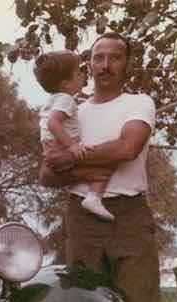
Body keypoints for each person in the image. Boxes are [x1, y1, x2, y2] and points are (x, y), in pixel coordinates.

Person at [40, 32, 177, 302]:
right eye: (98, 57)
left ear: (126, 64)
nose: (105, 65)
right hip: (81, 221)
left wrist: (72, 161)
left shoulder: (138, 103)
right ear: (88, 63)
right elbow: (46, 173)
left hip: (128, 218)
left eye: (115, 58)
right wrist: (85, 163)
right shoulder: (72, 108)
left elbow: (127, 149)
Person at [34, 50, 115, 221]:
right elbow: (53, 123)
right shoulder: (66, 100)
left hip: (52, 150)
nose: (82, 75)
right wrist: (72, 146)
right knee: (104, 169)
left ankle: (89, 192)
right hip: (61, 149)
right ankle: (93, 198)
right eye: (78, 73)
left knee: (88, 167)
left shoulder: (55, 99)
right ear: (65, 84)